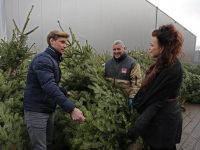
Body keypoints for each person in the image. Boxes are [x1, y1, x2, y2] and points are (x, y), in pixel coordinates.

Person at [23, 30, 85, 150]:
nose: (65, 45)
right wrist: (72, 109)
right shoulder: (43, 59)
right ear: (52, 41)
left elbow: (47, 83)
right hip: (36, 111)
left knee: (47, 143)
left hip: (47, 108)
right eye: (62, 42)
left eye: (66, 42)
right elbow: (49, 86)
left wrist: (63, 91)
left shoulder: (52, 59)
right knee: (40, 147)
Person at [127, 24, 184, 150]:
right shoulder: (163, 63)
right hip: (160, 119)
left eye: (152, 45)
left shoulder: (172, 70)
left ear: (162, 47)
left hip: (165, 122)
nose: (149, 48)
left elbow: (156, 103)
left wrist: (137, 127)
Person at [102, 40, 141, 104]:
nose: (116, 51)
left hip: (125, 100)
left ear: (124, 49)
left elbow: (136, 82)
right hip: (110, 100)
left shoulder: (132, 64)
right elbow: (100, 76)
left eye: (118, 49)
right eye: (114, 49)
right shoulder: (108, 63)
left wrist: (132, 97)